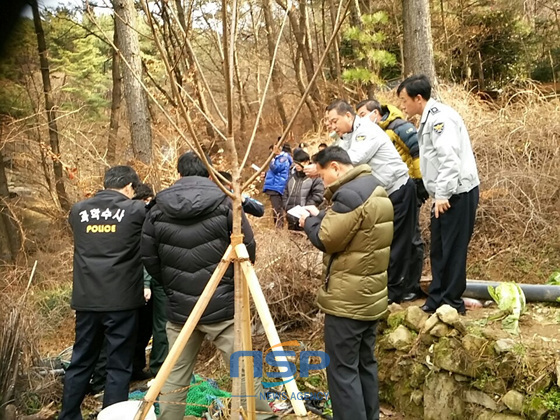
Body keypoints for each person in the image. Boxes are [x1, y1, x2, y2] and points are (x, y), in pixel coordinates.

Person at [141, 152, 275, 420]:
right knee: (242, 366)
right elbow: (246, 248)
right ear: (210, 173)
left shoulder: (157, 207)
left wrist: (171, 287)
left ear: (179, 173)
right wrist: (230, 285)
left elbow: (149, 257)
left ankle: (168, 417)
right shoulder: (227, 202)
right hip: (224, 306)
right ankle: (260, 416)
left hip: (180, 309)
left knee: (174, 372)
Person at [300, 146, 393, 420]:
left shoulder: (350, 195)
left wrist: (308, 221)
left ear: (336, 168)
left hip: (347, 301)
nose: (322, 181)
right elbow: (354, 234)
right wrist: (321, 217)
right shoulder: (374, 187)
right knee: (365, 364)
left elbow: (327, 239)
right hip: (371, 296)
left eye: (322, 175)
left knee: (342, 371)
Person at [59, 166, 146, 420]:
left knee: (81, 360)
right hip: (121, 301)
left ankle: (68, 415)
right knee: (118, 365)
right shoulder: (135, 210)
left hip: (87, 300)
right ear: (129, 187)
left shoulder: (79, 210)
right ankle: (111, 416)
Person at [397, 74, 479, 315]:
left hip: (457, 193)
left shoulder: (441, 119)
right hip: (443, 194)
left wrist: (442, 194)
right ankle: (436, 298)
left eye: (404, 100)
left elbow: (449, 159)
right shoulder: (427, 119)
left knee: (453, 248)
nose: (403, 106)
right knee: (439, 247)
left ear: (418, 98)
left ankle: (451, 302)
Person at [322, 99, 418, 304]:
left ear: (348, 115)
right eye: (329, 123)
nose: (332, 126)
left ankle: (395, 293)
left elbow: (352, 160)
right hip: (380, 193)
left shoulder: (366, 129)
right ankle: (393, 287)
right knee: (385, 241)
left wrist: (326, 166)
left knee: (398, 241)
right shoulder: (346, 135)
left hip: (398, 189)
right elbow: (336, 155)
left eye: (334, 120)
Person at [356, 99, 428, 301]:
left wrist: (420, 183)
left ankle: (410, 286)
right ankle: (404, 284)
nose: (361, 120)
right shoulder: (376, 132)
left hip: (408, 185)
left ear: (376, 113)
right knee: (404, 236)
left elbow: (417, 152)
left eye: (363, 114)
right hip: (393, 189)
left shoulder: (399, 127)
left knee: (411, 238)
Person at [282, 149, 324, 230]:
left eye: (302, 162)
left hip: (306, 218)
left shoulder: (315, 178)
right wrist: (285, 206)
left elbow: (318, 196)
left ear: (308, 162)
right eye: (296, 162)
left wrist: (306, 208)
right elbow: (285, 193)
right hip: (291, 216)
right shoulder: (291, 177)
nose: (298, 165)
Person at [263, 143, 293, 227]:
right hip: (274, 186)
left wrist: (271, 160)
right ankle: (279, 228)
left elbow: (276, 168)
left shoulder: (283, 158)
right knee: (276, 209)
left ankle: (279, 230)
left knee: (277, 210)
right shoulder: (278, 158)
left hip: (277, 187)